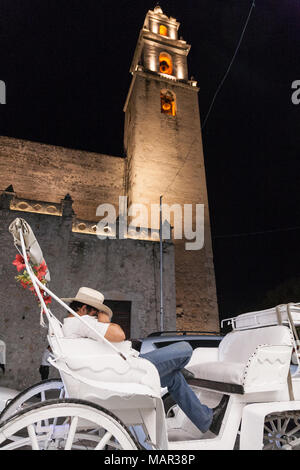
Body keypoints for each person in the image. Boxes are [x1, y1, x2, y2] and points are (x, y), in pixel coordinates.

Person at [61, 287, 228, 435]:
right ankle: (177, 369)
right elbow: (119, 334)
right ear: (83, 309)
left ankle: (205, 419)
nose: (98, 317)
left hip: (124, 367)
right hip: (130, 370)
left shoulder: (72, 324)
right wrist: (106, 321)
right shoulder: (81, 322)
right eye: (96, 313)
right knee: (185, 348)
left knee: (175, 378)